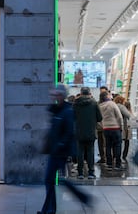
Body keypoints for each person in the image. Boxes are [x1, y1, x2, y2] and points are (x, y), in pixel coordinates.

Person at [38, 84, 90, 214]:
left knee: (54, 180)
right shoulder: (57, 109)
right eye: (53, 94)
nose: (53, 97)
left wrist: (61, 144)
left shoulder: (67, 111)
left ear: (61, 95)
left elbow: (69, 132)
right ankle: (48, 209)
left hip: (61, 151)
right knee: (52, 180)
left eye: (56, 94)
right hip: (54, 150)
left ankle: (82, 198)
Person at [73, 87, 102, 179]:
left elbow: (72, 117)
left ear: (81, 93)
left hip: (79, 131)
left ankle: (80, 173)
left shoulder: (75, 103)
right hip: (90, 132)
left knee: (80, 152)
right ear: (89, 93)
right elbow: (100, 118)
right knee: (90, 152)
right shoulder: (94, 103)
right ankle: (91, 173)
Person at [98, 91, 124, 171]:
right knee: (117, 145)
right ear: (107, 96)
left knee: (108, 146)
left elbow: (99, 119)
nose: (111, 96)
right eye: (109, 95)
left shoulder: (100, 106)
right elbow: (119, 116)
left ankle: (109, 164)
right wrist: (121, 126)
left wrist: (103, 126)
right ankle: (117, 164)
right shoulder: (112, 104)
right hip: (115, 128)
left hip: (106, 129)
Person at [113, 96, 134, 163]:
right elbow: (129, 116)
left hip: (113, 126)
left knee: (114, 143)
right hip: (123, 127)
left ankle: (114, 157)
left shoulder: (113, 106)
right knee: (124, 142)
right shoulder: (121, 107)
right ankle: (122, 157)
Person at [96, 86, 108, 165]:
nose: (102, 93)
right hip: (100, 126)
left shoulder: (111, 103)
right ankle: (103, 158)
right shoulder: (97, 103)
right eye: (101, 92)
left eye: (103, 92)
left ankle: (107, 158)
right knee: (100, 143)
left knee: (106, 144)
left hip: (108, 126)